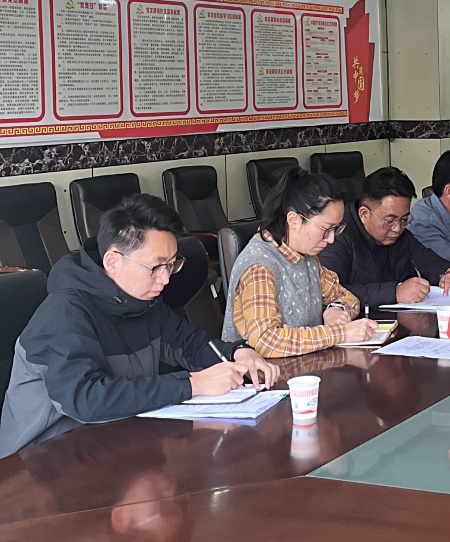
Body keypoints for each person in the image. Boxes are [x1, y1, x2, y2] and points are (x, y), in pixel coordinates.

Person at [0, 194, 279, 457]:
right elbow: (86, 399)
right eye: (156, 267)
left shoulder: (141, 301)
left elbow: (189, 344)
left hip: (113, 445)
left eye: (171, 265)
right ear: (112, 261)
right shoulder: (64, 314)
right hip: (41, 464)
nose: (165, 279)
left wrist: (238, 353)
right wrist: (192, 384)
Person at [222, 168, 379, 356]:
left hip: (306, 366)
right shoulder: (259, 266)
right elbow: (266, 340)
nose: (331, 239)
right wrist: (340, 333)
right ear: (294, 220)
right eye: (326, 229)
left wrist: (336, 309)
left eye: (336, 229)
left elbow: (347, 297)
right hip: (261, 372)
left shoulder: (306, 257)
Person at [319, 166, 450, 309]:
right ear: (364, 214)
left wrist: (448, 273)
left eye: (404, 220)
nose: (397, 229)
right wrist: (395, 293)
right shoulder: (337, 237)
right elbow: (329, 294)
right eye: (389, 221)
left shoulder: (401, 235)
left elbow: (428, 260)